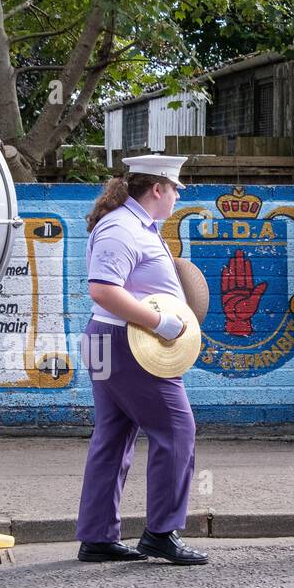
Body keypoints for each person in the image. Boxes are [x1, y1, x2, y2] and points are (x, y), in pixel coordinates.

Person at [74, 155, 206, 566]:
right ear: (157, 189)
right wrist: (162, 323)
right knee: (177, 429)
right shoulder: (123, 228)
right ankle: (162, 532)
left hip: (110, 341)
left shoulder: (132, 225)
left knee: (112, 436)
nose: (177, 196)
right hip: (125, 343)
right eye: (175, 189)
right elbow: (103, 290)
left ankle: (97, 537)